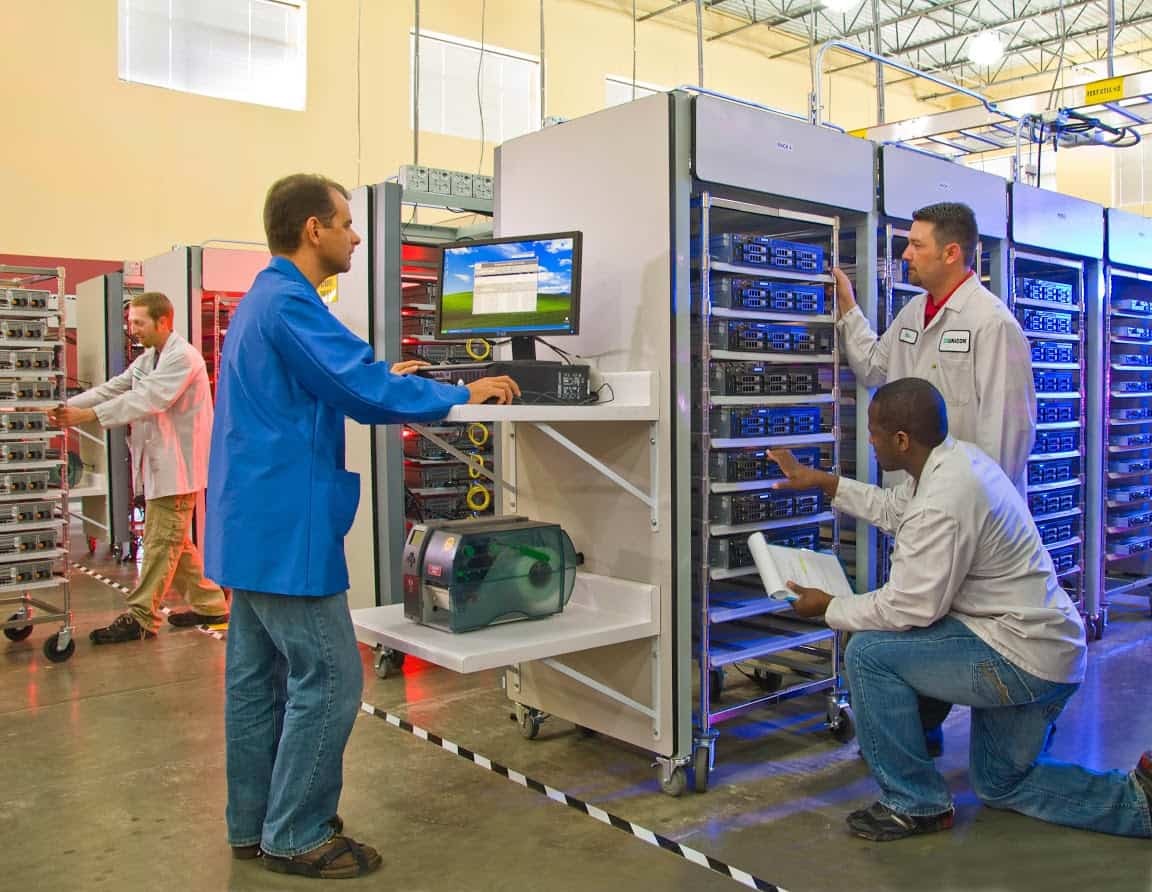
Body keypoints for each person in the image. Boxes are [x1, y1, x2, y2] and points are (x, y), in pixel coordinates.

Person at [205, 173, 519, 879]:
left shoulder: (268, 299)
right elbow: (362, 389)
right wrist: (458, 390)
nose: (354, 234)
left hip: (250, 525)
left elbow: (340, 375)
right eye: (346, 223)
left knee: (259, 683)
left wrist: (393, 375)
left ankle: (256, 823)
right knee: (331, 678)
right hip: (287, 530)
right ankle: (298, 833)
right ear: (312, 229)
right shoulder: (290, 302)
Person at [766, 378, 1152, 842]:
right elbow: (894, 508)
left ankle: (915, 803)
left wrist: (829, 607)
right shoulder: (954, 462)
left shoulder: (942, 503)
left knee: (869, 652)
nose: (869, 439)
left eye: (874, 431)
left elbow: (908, 608)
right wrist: (826, 483)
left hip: (1018, 657)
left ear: (902, 440)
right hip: (1047, 651)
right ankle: (1137, 803)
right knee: (1000, 784)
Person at [834, 201, 1038, 753]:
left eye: (916, 245)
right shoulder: (911, 314)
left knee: (932, 622)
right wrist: (849, 311)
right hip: (919, 506)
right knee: (925, 620)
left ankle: (918, 752)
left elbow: (1009, 432)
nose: (905, 254)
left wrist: (976, 514)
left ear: (952, 252)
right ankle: (920, 736)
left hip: (967, 516)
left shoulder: (991, 324)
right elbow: (875, 369)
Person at [53, 292, 229, 642]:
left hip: (178, 468)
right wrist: (63, 408)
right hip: (160, 468)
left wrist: (85, 417)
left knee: (161, 541)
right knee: (172, 543)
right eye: (130, 322)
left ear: (163, 322)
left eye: (138, 323)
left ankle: (141, 616)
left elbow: (146, 400)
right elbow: (112, 390)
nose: (131, 329)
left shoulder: (183, 358)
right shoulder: (150, 359)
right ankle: (211, 604)